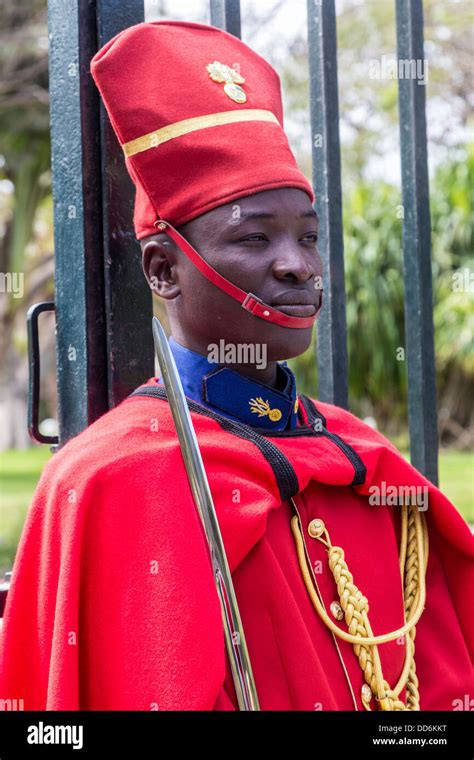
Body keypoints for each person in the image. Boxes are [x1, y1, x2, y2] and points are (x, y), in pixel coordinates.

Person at [0, 20, 472, 712]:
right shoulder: (105, 480)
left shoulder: (366, 464)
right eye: (255, 237)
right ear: (163, 269)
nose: (298, 263)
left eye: (308, 237)